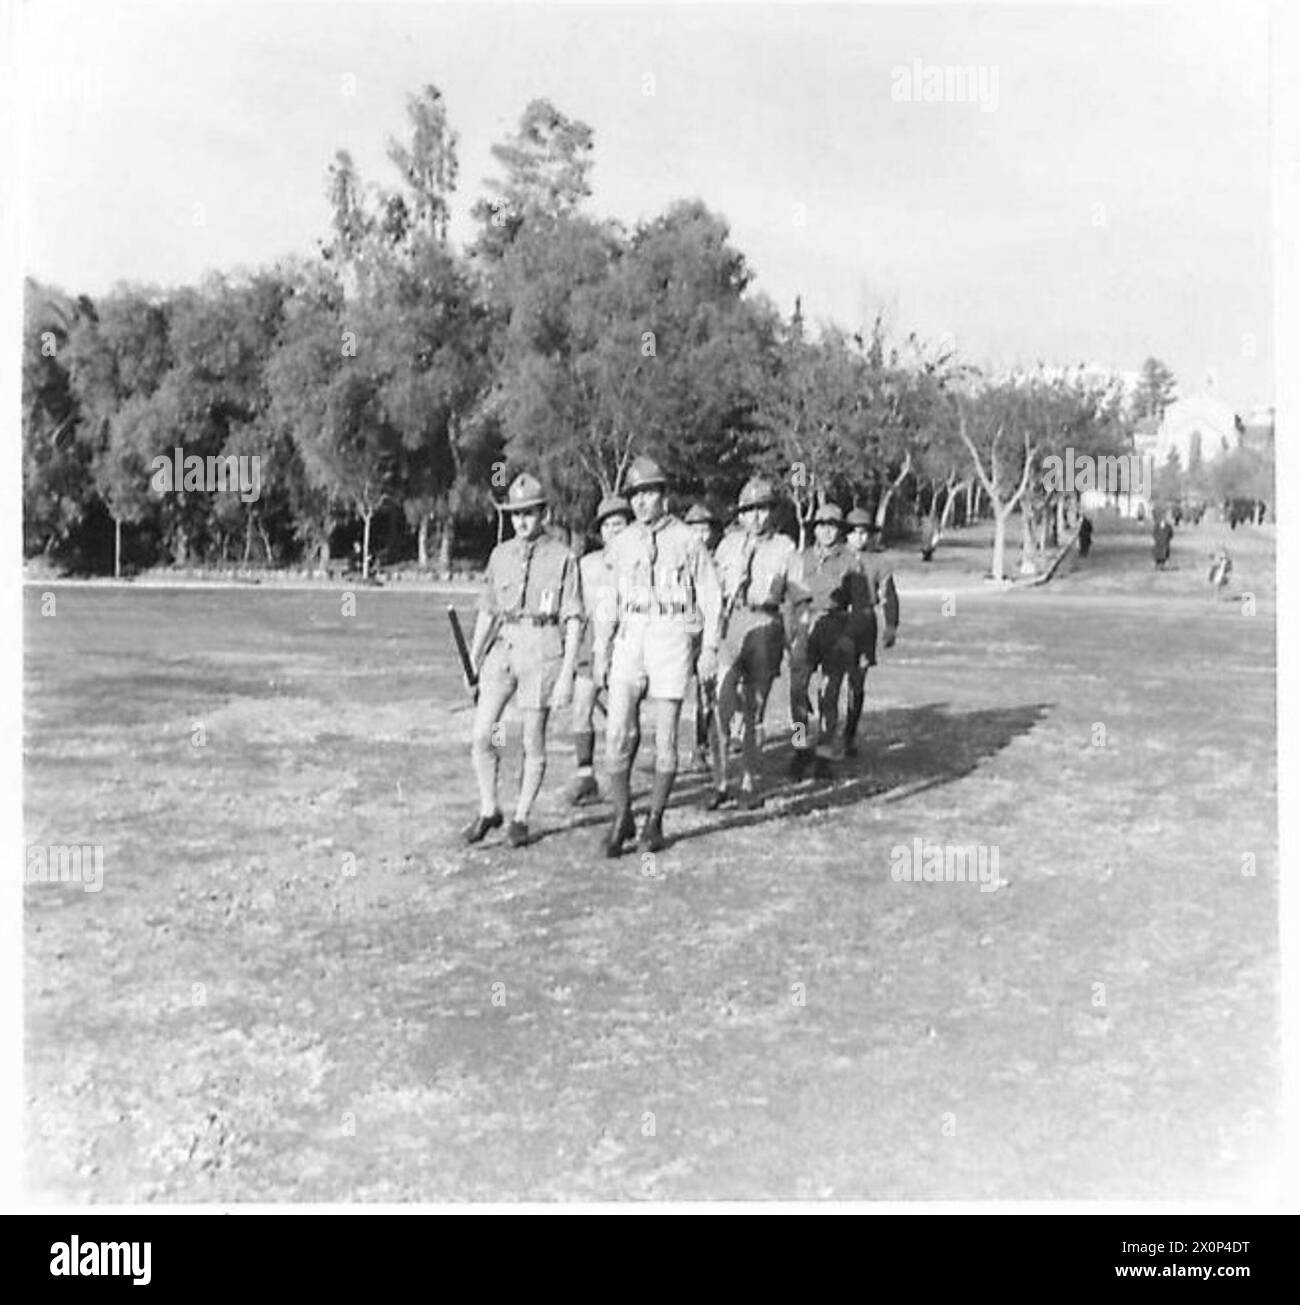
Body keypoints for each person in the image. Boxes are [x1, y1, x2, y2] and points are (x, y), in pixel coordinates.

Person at [593, 456, 722, 856]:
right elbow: (607, 600)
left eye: (649, 493)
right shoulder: (621, 542)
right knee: (617, 734)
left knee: (665, 737)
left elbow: (710, 596)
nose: (642, 502)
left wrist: (710, 648)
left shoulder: (687, 540)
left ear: (663, 495)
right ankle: (621, 816)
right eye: (635, 495)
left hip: (670, 635)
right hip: (631, 637)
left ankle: (655, 821)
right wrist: (601, 650)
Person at [464, 473, 583, 847]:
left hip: (543, 646)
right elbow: (488, 609)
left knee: (532, 739)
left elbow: (575, 618)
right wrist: (474, 655)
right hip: (504, 646)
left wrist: (566, 676)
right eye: (515, 514)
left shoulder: (564, 558)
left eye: (529, 513)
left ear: (543, 513)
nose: (521, 521)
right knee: (484, 734)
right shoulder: (501, 554)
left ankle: (521, 816)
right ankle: (489, 809)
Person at [706, 476, 803, 810]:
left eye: (762, 510)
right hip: (731, 625)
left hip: (766, 624)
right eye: (749, 511)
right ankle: (719, 781)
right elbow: (712, 589)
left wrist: (794, 641)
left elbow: (796, 598)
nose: (756, 518)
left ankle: (749, 781)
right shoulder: (728, 545)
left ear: (771, 512)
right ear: (741, 514)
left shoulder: (786, 548)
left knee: (753, 710)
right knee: (721, 705)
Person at [788, 503, 871, 779]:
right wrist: (791, 632)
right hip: (804, 627)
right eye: (821, 525)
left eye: (832, 525)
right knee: (797, 693)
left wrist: (849, 637)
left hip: (836, 627)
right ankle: (800, 748)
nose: (825, 531)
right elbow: (790, 598)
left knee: (829, 695)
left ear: (839, 530)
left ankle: (824, 754)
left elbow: (860, 607)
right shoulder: (801, 558)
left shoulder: (850, 562)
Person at [567, 493, 632, 806]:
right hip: (592, 641)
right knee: (582, 708)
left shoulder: (640, 560)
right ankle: (585, 776)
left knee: (622, 718)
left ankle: (622, 779)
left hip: (628, 641)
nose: (613, 530)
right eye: (607, 525)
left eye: (619, 524)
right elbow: (575, 609)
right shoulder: (586, 565)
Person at [843, 508, 900, 758]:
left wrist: (891, 626)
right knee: (827, 684)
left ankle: (849, 735)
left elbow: (889, 595)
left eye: (864, 533)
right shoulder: (834, 558)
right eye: (854, 532)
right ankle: (810, 740)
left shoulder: (879, 562)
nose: (859, 538)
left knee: (857, 683)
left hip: (864, 624)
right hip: (835, 623)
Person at [684, 501, 723, 773]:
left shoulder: (723, 558)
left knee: (714, 693)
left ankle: (799, 744)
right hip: (688, 630)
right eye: (694, 529)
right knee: (690, 693)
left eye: (704, 528)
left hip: (718, 631)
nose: (700, 534)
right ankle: (696, 747)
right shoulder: (682, 559)